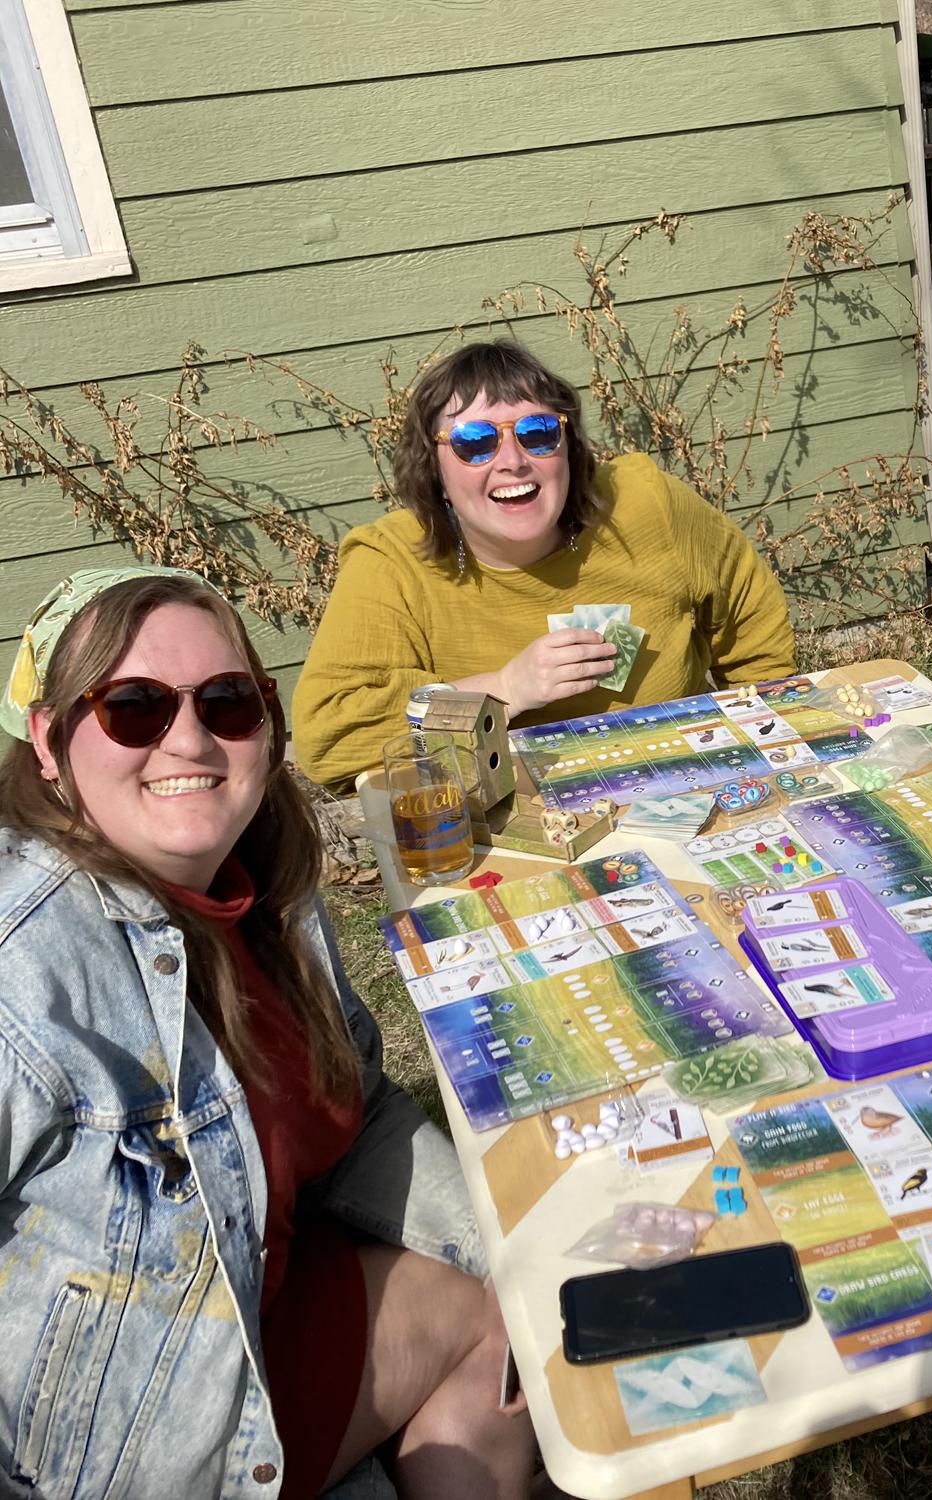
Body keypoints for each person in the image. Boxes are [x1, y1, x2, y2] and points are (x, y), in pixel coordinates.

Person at [0, 566, 539, 1500]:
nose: (190, 737)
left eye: (227, 700)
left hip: (262, 1298)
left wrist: (525, 1258)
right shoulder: (24, 963)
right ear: (48, 742)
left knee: (523, 1329)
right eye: (133, 707)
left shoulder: (267, 884)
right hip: (143, 1427)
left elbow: (361, 1109)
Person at [293, 339, 796, 790]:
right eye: (475, 442)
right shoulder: (392, 564)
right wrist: (504, 689)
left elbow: (752, 628)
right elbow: (330, 737)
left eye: (536, 433)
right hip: (512, 834)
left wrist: (770, 748)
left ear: (569, 448)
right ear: (433, 468)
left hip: (689, 791)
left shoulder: (646, 505)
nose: (512, 460)